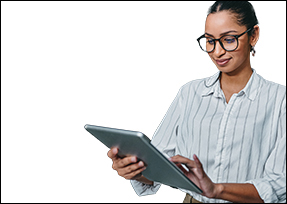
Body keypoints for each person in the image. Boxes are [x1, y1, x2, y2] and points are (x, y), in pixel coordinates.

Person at [107, 1, 286, 203]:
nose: (217, 52)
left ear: (253, 35)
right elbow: (159, 166)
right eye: (210, 41)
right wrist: (135, 170)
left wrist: (216, 189)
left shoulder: (280, 101)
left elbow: (280, 184)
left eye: (228, 39)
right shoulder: (190, 93)